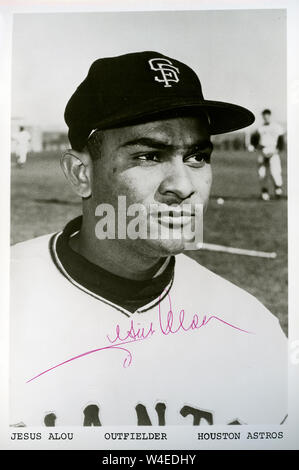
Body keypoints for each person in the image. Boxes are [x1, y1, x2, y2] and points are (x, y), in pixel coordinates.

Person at [10, 51, 287, 427]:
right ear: (80, 173)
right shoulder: (10, 298)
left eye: (197, 156)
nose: (183, 186)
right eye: (149, 156)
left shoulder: (249, 327)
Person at [248, 109, 284, 201]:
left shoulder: (277, 127)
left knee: (275, 173)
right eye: (264, 116)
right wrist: (255, 147)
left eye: (267, 115)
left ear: (270, 116)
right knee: (262, 173)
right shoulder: (260, 128)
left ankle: (278, 190)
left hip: (273, 152)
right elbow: (254, 140)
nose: (266, 117)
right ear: (263, 117)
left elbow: (281, 142)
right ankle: (265, 193)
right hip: (262, 152)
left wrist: (276, 151)